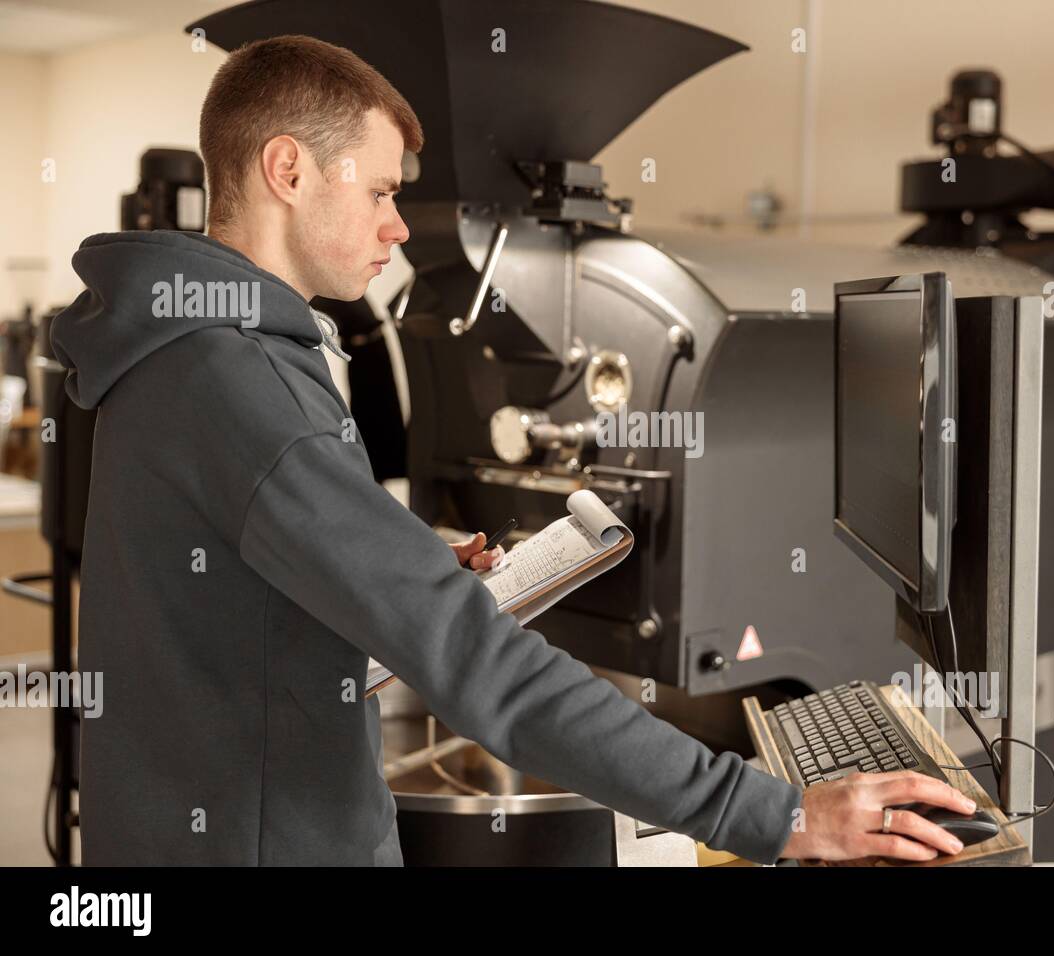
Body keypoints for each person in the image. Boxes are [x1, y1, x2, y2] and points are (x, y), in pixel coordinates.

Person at [50, 34, 976, 866]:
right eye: (378, 190)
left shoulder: (187, 342)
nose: (398, 225)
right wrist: (775, 814)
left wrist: (387, 558)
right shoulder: (241, 377)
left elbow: (224, 600)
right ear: (288, 169)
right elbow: (476, 662)